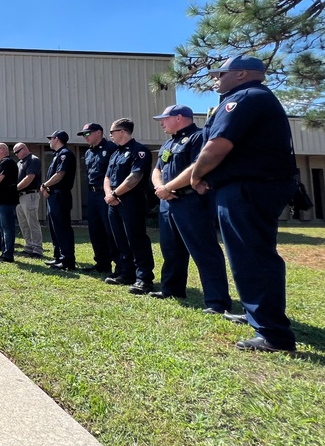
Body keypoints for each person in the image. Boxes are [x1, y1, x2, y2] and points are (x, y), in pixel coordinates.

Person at [191, 55, 298, 352]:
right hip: (252, 186)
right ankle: (257, 315)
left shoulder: (244, 98)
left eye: (220, 73)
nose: (215, 79)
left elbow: (218, 145)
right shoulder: (256, 97)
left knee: (251, 256)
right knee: (249, 254)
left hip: (249, 187)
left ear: (240, 74)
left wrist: (196, 176)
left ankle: (273, 335)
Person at [150, 105, 233, 314]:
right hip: (167, 202)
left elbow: (197, 167)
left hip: (191, 202)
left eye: (165, 118)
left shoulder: (198, 138)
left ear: (179, 118)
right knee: (171, 250)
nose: (162, 123)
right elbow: (157, 169)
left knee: (204, 251)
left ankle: (217, 302)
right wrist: (161, 188)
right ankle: (172, 289)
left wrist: (169, 187)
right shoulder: (169, 143)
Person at [104, 118, 155, 294]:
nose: (110, 135)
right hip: (113, 201)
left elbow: (135, 177)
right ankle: (126, 273)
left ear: (122, 132)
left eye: (112, 132)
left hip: (131, 200)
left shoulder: (139, 151)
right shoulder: (115, 153)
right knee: (119, 238)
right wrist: (109, 195)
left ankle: (144, 278)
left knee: (136, 238)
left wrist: (116, 193)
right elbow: (107, 177)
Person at [78, 122, 119, 275]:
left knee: (110, 229)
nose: (85, 137)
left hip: (106, 193)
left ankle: (119, 265)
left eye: (88, 133)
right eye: (83, 134)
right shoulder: (88, 153)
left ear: (99, 133)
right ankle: (102, 263)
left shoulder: (111, 148)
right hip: (92, 193)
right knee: (95, 230)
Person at [41, 130, 77, 270]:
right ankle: (58, 257)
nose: (49, 141)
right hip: (53, 195)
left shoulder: (65, 154)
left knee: (62, 227)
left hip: (61, 195)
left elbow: (60, 174)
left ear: (57, 139)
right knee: (54, 227)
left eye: (51, 138)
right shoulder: (58, 155)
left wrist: (45, 185)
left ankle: (67, 260)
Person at [12, 142, 43, 257]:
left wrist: (14, 189)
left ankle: (37, 249)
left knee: (32, 222)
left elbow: (29, 178)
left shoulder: (33, 160)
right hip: (20, 196)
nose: (16, 154)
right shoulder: (19, 163)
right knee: (23, 223)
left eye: (18, 152)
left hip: (30, 194)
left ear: (25, 149)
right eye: (14, 152)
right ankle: (29, 246)